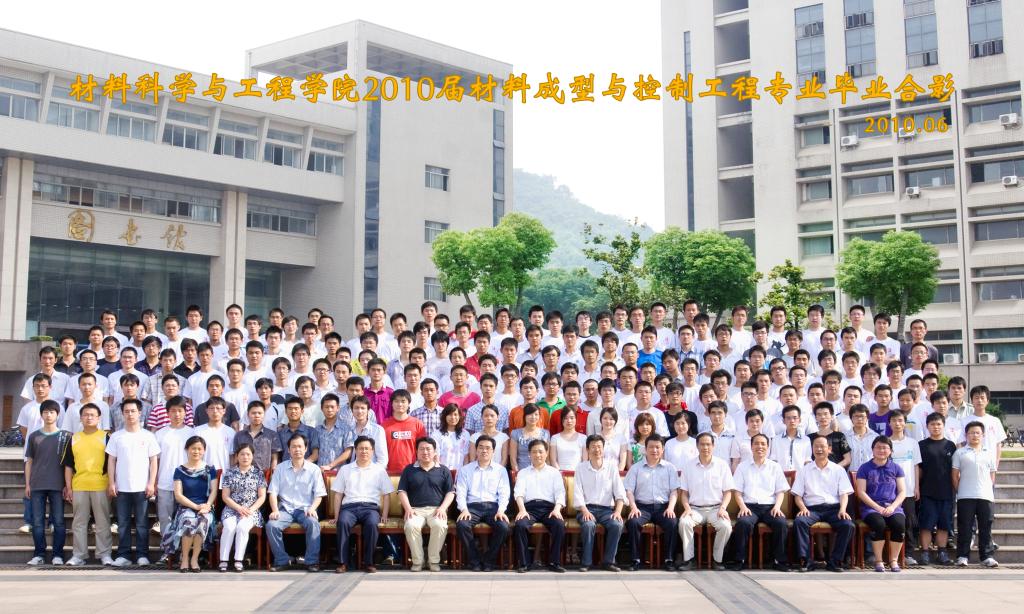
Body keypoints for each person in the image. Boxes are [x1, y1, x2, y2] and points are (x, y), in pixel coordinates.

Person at [106, 399, 160, 567]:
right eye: (126, 411)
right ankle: (124, 555)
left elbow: (153, 461)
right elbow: (111, 461)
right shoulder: (116, 436)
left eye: (133, 411)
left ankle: (142, 555)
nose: (130, 414)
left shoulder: (148, 436)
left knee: (142, 524)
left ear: (140, 413)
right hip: (122, 487)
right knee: (123, 524)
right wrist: (111, 482)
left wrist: (151, 483)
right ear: (122, 414)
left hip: (142, 487)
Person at [791, 434, 855, 573]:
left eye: (822, 446)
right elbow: (797, 495)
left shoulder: (838, 470)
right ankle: (806, 561)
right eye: (816, 446)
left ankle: (835, 561)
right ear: (812, 449)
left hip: (834, 509)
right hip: (811, 509)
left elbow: (844, 494)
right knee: (800, 522)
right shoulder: (804, 470)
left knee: (848, 525)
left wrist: (843, 510)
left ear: (829, 449)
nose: (819, 449)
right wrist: (802, 508)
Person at [333, 436, 395, 573]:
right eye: (361, 448)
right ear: (355, 450)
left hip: (370, 508)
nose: (364, 451)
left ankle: (369, 562)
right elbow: (338, 495)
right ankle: (343, 563)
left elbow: (387, 494)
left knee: (372, 524)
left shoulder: (379, 470)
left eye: (367, 449)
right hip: (349, 508)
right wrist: (336, 516)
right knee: (342, 522)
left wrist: (384, 515)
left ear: (372, 451)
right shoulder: (345, 469)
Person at [266, 433, 327, 572]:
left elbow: (319, 495)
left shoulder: (314, 469)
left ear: (305, 449)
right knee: (271, 525)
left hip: (305, 509)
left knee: (313, 523)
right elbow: (273, 492)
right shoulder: (280, 468)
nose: (297, 449)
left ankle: (312, 562)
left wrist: (313, 508)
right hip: (285, 509)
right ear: (288, 450)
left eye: (300, 446)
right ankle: (282, 560)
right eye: (293, 447)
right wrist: (275, 510)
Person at [62, 403, 113, 566]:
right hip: (79, 486)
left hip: (101, 485)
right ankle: (79, 555)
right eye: (85, 415)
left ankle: (105, 554)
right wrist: (69, 487)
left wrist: (111, 483)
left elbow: (112, 463)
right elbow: (68, 465)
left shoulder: (106, 437)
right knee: (79, 523)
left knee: (103, 522)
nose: (89, 417)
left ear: (99, 418)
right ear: (80, 418)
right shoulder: (74, 438)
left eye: (92, 415)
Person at [732, 433, 791, 572]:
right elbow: (737, 492)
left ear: (768, 447)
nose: (760, 446)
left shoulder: (775, 467)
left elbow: (780, 491)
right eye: (756, 443)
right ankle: (739, 559)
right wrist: (742, 507)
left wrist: (777, 507)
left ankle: (779, 560)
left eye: (763, 444)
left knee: (781, 523)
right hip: (749, 507)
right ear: (751, 446)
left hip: (770, 507)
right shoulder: (742, 467)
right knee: (743, 523)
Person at [677, 433, 735, 571]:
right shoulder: (688, 466)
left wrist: (723, 508)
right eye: (702, 444)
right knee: (684, 523)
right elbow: (684, 493)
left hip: (716, 509)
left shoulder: (722, 465)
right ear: (697, 446)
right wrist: (687, 508)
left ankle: (717, 560)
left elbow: (728, 492)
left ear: (713, 446)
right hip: (694, 509)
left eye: (708, 444)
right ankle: (689, 560)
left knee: (726, 526)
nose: (705, 447)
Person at [162, 436, 219, 572]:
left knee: (202, 521)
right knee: (188, 521)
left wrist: (207, 505)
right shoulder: (180, 470)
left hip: (205, 507)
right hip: (185, 507)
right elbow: (178, 495)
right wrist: (196, 507)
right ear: (187, 449)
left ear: (204, 450)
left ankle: (194, 559)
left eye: (199, 449)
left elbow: (214, 491)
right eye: (193, 448)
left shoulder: (210, 469)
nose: (196, 451)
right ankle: (185, 559)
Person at [24, 400, 71, 566]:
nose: (49, 415)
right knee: (37, 523)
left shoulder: (66, 436)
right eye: (45, 412)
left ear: (57, 415)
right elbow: (29, 461)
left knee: (58, 521)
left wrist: (68, 485)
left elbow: (69, 464)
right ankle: (39, 554)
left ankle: (58, 554)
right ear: (41, 415)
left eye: (52, 412)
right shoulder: (34, 436)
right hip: (37, 484)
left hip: (57, 485)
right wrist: (27, 484)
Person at [399, 437, 455, 572]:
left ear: (435, 452)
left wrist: (443, 508)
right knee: (411, 526)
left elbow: (450, 493)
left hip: (436, 510)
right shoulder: (409, 470)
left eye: (428, 449)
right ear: (416, 452)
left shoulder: (443, 470)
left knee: (440, 525)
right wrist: (408, 508)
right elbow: (402, 491)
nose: (425, 452)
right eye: (422, 449)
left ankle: (433, 561)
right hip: (415, 510)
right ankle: (418, 562)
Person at [455, 436, 511, 572]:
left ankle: (489, 561)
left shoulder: (500, 470)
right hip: (472, 508)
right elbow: (460, 492)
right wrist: (464, 509)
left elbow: (504, 493)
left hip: (493, 507)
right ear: (476, 450)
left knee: (503, 527)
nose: (484, 451)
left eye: (488, 448)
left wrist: (501, 510)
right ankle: (474, 560)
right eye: (481, 447)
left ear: (493, 451)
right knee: (462, 525)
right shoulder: (465, 470)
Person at [623, 434, 679, 571]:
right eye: (651, 447)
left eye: (657, 447)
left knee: (672, 522)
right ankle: (635, 559)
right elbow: (629, 491)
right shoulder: (636, 468)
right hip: (642, 507)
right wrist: (633, 508)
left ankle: (669, 559)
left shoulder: (670, 468)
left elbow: (674, 491)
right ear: (645, 449)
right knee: (633, 522)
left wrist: (670, 508)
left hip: (663, 507)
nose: (654, 450)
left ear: (663, 449)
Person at [512, 440, 567, 573]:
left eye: (541, 452)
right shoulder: (523, 473)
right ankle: (524, 563)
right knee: (520, 525)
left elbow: (560, 493)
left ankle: (554, 562)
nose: (538, 455)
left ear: (547, 453)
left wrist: (557, 509)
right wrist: (522, 510)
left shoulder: (554, 472)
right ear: (529, 454)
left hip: (549, 509)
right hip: (529, 509)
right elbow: (518, 493)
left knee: (559, 525)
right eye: (534, 452)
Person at [856, 436, 907, 573]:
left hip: (893, 507)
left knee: (899, 524)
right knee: (878, 524)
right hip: (871, 508)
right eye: (878, 447)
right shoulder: (864, 468)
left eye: (885, 448)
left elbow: (902, 492)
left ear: (890, 451)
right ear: (872, 450)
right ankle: (879, 560)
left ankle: (893, 560)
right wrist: (877, 507)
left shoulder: (896, 468)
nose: (881, 450)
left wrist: (892, 507)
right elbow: (861, 492)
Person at [574, 435, 625, 572]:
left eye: (599, 447)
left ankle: (609, 561)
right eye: (593, 447)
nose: (596, 450)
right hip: (586, 509)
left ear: (603, 448)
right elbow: (578, 493)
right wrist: (585, 511)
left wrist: (618, 512)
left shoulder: (611, 467)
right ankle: (586, 563)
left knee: (617, 524)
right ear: (587, 449)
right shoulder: (580, 468)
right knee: (589, 525)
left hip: (606, 510)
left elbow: (620, 493)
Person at [952, 421, 998, 568]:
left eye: (978, 433)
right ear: (966, 435)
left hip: (986, 496)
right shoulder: (960, 453)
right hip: (965, 495)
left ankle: (987, 556)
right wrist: (960, 490)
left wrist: (988, 489)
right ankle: (962, 556)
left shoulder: (989, 453)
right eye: (971, 433)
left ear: (983, 435)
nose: (975, 435)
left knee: (986, 527)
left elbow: (992, 475)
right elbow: (954, 475)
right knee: (965, 527)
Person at [219, 442, 268, 572]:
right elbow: (225, 496)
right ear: (237, 456)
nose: (245, 457)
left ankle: (238, 560)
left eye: (248, 454)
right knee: (229, 527)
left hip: (251, 511)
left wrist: (250, 510)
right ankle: (223, 560)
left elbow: (262, 497)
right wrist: (238, 508)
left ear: (252, 456)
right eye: (242, 454)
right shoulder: (229, 473)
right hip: (231, 509)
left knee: (242, 527)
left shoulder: (258, 473)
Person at [154, 396, 195, 546]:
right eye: (173, 411)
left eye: (180, 411)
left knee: (186, 519)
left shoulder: (192, 433)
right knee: (165, 519)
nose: (177, 414)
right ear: (167, 413)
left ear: (185, 412)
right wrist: (154, 481)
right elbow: (155, 460)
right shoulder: (160, 434)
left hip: (187, 483)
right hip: (165, 482)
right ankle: (167, 550)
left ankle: (183, 551)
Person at [917, 412, 956, 566]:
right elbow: (918, 469)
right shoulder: (921, 445)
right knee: (926, 524)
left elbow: (954, 470)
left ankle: (942, 552)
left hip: (946, 491)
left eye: (939, 424)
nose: (936, 427)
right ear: (927, 426)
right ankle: (925, 552)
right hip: (927, 491)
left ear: (943, 426)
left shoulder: (950, 445)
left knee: (944, 524)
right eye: (932, 424)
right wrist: (917, 487)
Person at [509, 404, 550, 472]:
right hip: (522, 471)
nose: (533, 417)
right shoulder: (515, 433)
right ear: (524, 416)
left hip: (541, 472)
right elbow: (513, 459)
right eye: (530, 414)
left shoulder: (545, 433)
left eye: (536, 414)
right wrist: (518, 474)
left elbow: (547, 458)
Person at [431, 403, 470, 469]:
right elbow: (435, 456)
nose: (453, 417)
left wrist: (464, 471)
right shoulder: (436, 434)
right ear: (444, 416)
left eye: (455, 414)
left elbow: (466, 456)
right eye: (450, 414)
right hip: (442, 471)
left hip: (460, 472)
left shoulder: (465, 434)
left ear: (459, 416)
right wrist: (442, 472)